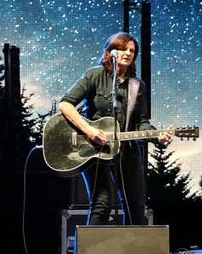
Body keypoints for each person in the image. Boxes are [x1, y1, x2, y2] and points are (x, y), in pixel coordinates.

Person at [58, 31, 171, 225]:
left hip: (126, 151)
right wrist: (90, 131)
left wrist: (156, 135)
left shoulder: (138, 86)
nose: (128, 53)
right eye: (122, 48)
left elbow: (141, 122)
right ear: (111, 51)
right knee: (102, 203)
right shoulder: (94, 75)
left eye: (132, 50)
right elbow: (65, 104)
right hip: (93, 149)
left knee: (135, 206)